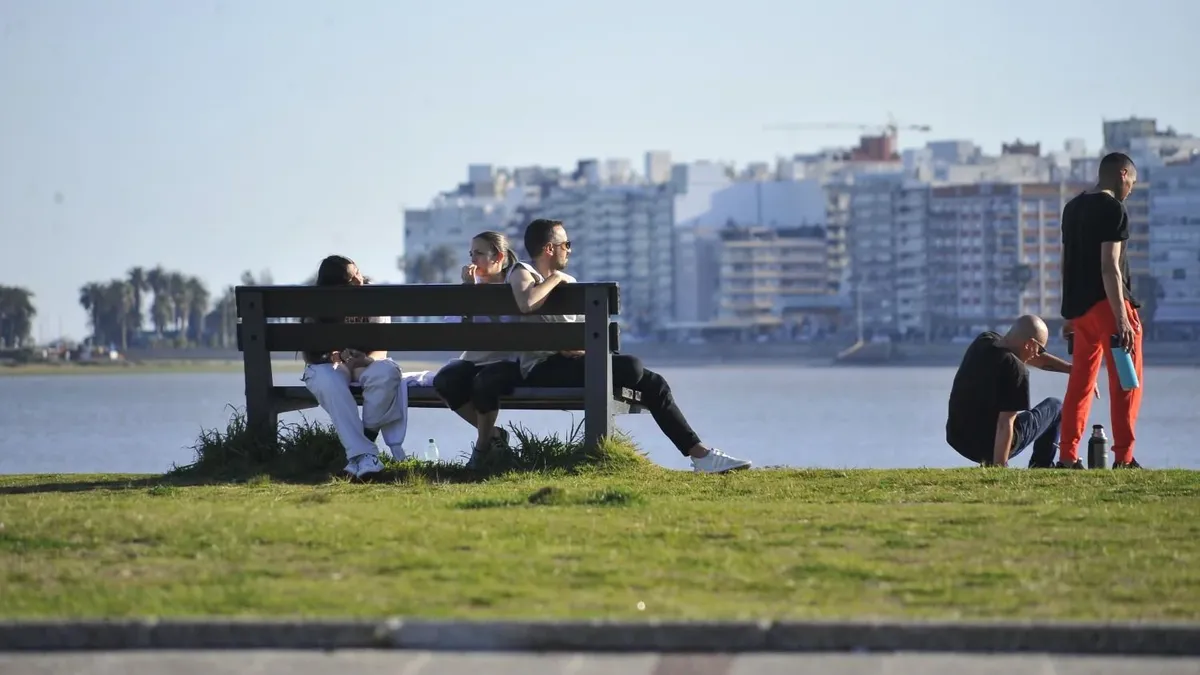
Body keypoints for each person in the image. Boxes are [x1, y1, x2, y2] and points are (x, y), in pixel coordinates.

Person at [508, 218, 752, 474]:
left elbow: (579, 338)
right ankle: (699, 456)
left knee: (654, 383)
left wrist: (575, 346)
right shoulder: (523, 271)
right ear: (549, 248)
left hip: (570, 364)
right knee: (631, 367)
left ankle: (700, 455)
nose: (569, 249)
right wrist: (556, 279)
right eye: (566, 244)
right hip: (541, 369)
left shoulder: (566, 281)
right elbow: (527, 303)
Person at [1058, 152, 1144, 469]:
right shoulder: (1113, 209)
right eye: (1132, 182)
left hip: (1080, 312)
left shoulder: (1073, 208)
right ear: (1122, 174)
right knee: (1126, 382)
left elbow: (1065, 264)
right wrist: (1122, 318)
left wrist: (1068, 313)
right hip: (1110, 307)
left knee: (1080, 383)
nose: (1131, 189)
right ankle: (1124, 457)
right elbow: (1109, 266)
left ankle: (1067, 455)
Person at [300, 255, 406, 480]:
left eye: (358, 272)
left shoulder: (373, 296)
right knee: (329, 380)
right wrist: (336, 356)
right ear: (333, 288)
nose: (359, 281)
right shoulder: (317, 306)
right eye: (350, 280)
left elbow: (381, 351)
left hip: (366, 363)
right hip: (331, 366)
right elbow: (313, 355)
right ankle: (367, 456)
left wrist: (362, 361)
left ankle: (359, 456)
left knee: (387, 372)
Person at [431, 231, 524, 466]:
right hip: (474, 360)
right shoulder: (470, 287)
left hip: (509, 362)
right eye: (471, 254)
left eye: (480, 254)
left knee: (484, 383)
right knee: (446, 381)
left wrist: (477, 297)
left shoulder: (516, 284)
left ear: (499, 256)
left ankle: (481, 450)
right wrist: (469, 295)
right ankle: (494, 436)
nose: (473, 260)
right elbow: (451, 330)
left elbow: (507, 330)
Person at [945, 315, 1081, 468]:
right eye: (1040, 349)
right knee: (1056, 406)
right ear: (1029, 344)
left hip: (957, 437)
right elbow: (1005, 423)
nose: (1038, 355)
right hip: (986, 447)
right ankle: (1040, 465)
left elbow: (1036, 358)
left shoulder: (984, 341)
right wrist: (1000, 467)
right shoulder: (1016, 370)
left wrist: (1073, 370)